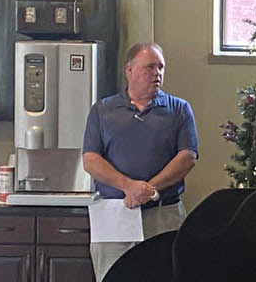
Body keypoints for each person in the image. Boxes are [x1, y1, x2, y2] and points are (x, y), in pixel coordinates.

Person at [82, 43, 198, 280]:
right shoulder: (102, 110)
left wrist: (148, 189)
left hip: (163, 213)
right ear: (130, 71)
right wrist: (129, 187)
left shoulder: (179, 109)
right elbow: (91, 160)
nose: (157, 73)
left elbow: (187, 157)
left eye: (160, 67)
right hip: (115, 213)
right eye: (149, 67)